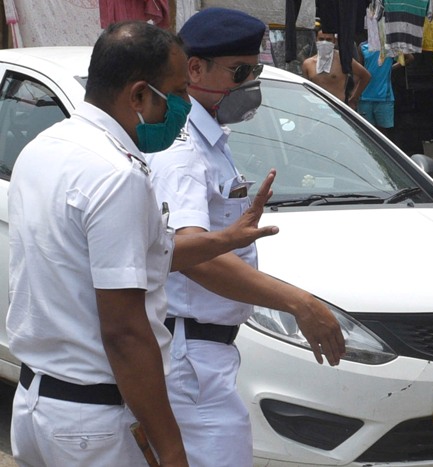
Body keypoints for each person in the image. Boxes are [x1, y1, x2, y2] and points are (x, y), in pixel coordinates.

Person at [8, 21, 280, 467]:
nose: (184, 105)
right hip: (93, 423)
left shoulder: (44, 147)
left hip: (37, 406)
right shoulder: (117, 176)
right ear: (138, 95)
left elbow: (130, 255)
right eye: (175, 92)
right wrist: (171, 448)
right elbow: (125, 333)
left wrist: (224, 240)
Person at [146, 8, 346, 466]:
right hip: (188, 355)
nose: (250, 84)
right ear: (194, 70)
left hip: (203, 352)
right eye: (241, 72)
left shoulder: (209, 137)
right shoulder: (182, 151)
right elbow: (191, 254)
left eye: (255, 70)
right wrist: (299, 302)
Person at [302, 29, 371, 109]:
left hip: (337, 109)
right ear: (316, 40)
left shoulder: (343, 60)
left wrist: (354, 98)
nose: (324, 42)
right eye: (321, 39)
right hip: (315, 109)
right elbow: (305, 90)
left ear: (334, 41)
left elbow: (366, 76)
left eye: (328, 40)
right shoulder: (308, 64)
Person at [357, 40, 413, 136]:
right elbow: (359, 69)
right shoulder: (363, 46)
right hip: (364, 96)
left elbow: (410, 58)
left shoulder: (391, 45)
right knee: (365, 132)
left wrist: (392, 68)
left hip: (384, 97)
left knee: (383, 133)